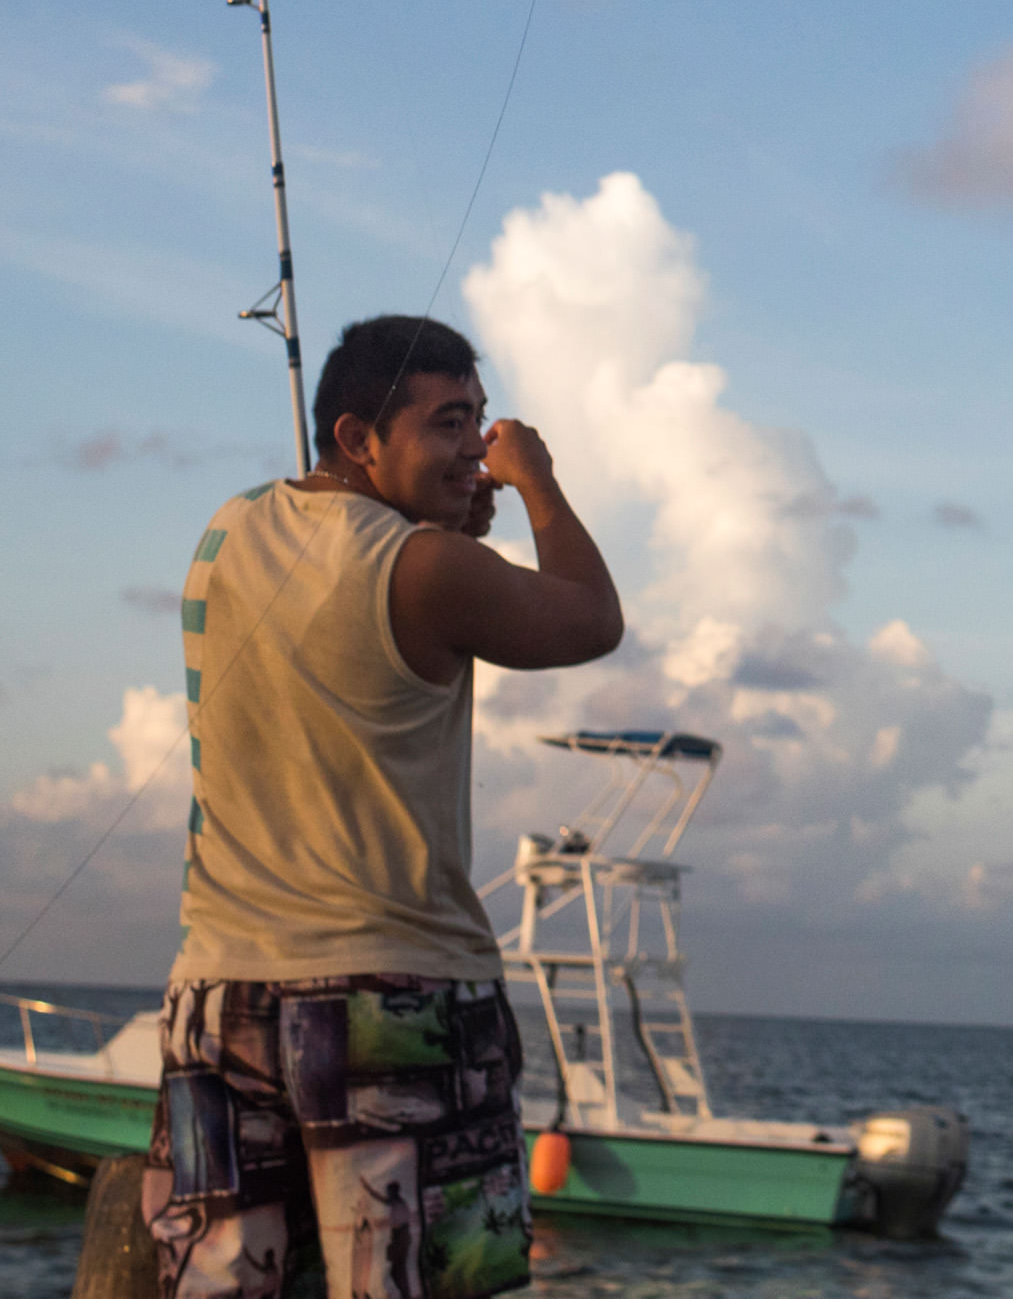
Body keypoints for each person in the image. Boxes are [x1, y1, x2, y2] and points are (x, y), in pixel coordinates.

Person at [148, 313, 625, 1299]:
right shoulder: (427, 568)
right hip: (396, 999)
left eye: (485, 425)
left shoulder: (226, 529)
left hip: (218, 997)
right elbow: (589, 615)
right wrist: (535, 478)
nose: (476, 448)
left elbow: (336, 578)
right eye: (451, 423)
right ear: (360, 436)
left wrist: (439, 516)